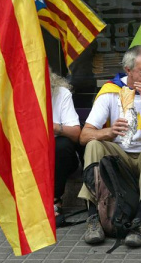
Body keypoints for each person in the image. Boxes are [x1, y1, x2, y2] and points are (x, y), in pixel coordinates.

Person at [77, 45, 141, 247]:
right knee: (94, 145)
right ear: (128, 70)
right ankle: (93, 218)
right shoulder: (111, 91)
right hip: (120, 155)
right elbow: (84, 135)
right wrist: (109, 132)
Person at [50, 71, 81, 227]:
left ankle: (55, 201)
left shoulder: (61, 93)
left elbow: (76, 134)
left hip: (59, 158)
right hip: (32, 157)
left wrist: (53, 127)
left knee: (62, 145)